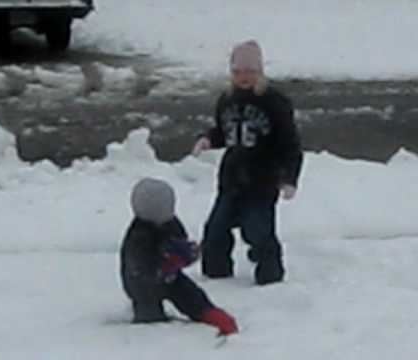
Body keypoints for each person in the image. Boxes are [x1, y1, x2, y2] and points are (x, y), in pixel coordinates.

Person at [192, 40, 303, 285]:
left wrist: (289, 178)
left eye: (250, 71)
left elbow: (290, 144)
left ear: (260, 71)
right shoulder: (227, 99)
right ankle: (216, 276)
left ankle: (270, 277)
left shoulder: (274, 102)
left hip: (262, 180)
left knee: (258, 231)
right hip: (231, 178)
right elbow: (225, 131)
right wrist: (208, 139)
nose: (243, 77)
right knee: (215, 230)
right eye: (238, 72)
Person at [120, 177, 238, 336]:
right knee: (148, 305)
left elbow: (180, 242)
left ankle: (208, 312)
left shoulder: (172, 223)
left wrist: (187, 253)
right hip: (141, 282)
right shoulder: (139, 235)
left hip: (171, 276)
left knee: (189, 293)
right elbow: (140, 267)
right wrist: (166, 262)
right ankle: (151, 327)